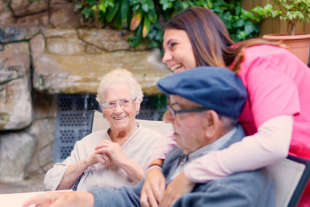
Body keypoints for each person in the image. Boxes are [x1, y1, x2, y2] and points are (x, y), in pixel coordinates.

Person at [23, 66, 275, 207]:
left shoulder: (238, 186)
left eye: (176, 110)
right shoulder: (179, 153)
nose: (166, 119)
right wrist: (79, 199)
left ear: (210, 121)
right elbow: (134, 197)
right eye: (111, 104)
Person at [141, 7, 310, 207]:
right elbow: (181, 128)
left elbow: (273, 144)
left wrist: (190, 173)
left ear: (200, 39)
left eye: (173, 46)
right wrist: (154, 167)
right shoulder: (218, 78)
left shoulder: (258, 63)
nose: (165, 58)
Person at [44, 69, 161, 192]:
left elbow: (160, 189)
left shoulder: (155, 143)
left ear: (137, 104)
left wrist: (123, 160)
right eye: (111, 104)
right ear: (103, 109)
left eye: (125, 102)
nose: (118, 110)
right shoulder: (88, 143)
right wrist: (89, 161)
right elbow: (51, 184)